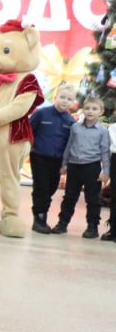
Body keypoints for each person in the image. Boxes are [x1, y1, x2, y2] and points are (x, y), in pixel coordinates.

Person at [51, 95, 110, 237]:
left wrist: (105, 171)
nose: (90, 111)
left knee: (92, 199)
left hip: (92, 168)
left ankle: (92, 227)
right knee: (69, 197)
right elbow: (69, 146)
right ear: (83, 110)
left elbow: (105, 152)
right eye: (87, 108)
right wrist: (64, 164)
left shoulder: (102, 131)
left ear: (100, 112)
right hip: (74, 167)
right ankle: (62, 223)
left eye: (94, 109)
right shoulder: (75, 127)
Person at [28, 84, 75, 234]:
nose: (64, 101)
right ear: (55, 98)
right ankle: (39, 219)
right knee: (41, 187)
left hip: (58, 161)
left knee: (51, 187)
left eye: (69, 99)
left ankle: (42, 212)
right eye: (62, 97)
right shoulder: (41, 114)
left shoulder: (71, 121)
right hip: (39, 156)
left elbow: (69, 143)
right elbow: (29, 131)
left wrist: (65, 163)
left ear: (73, 102)